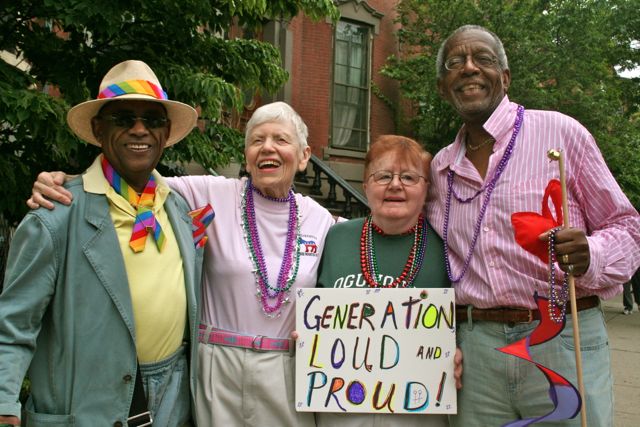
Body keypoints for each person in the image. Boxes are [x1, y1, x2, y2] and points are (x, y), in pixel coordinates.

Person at [27, 101, 336, 426]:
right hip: (217, 370)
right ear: (246, 155)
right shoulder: (207, 193)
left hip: (287, 371)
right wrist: (64, 180)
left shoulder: (322, 220)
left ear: (304, 156)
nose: (267, 148)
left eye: (281, 140)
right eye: (257, 140)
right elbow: (126, 180)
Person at [427, 24, 640, 426]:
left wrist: (592, 254)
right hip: (476, 351)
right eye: (456, 63)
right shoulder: (440, 169)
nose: (469, 68)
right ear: (443, 87)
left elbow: (628, 226)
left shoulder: (559, 132)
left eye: (483, 59)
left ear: (505, 78)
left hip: (562, 336)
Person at [0, 60, 202, 426]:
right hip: (89, 406)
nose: (139, 130)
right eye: (124, 118)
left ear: (166, 132)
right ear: (98, 127)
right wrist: (4, 407)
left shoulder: (178, 208)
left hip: (173, 399)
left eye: (152, 120)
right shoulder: (55, 216)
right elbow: (12, 327)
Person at [316, 135, 461, 427]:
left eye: (409, 176)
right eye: (383, 176)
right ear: (366, 185)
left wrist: (459, 350)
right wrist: (310, 340)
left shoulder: (448, 245)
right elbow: (318, 312)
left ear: (426, 188)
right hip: (341, 407)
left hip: (420, 407)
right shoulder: (335, 237)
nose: (395, 185)